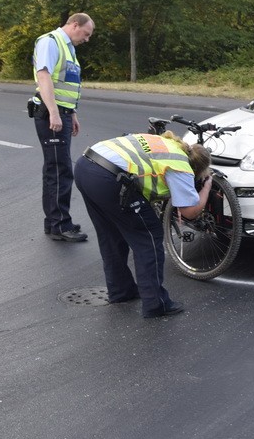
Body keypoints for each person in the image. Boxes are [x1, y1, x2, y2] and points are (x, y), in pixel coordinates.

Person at [74, 131, 213, 319]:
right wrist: (206, 187)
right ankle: (156, 303)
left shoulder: (166, 142)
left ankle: (121, 291)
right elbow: (190, 211)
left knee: (111, 234)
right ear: (196, 168)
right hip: (109, 179)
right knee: (149, 236)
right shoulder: (180, 165)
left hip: (85, 166)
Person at [30, 13, 95, 242]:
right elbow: (44, 76)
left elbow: (66, 84)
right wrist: (55, 113)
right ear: (75, 25)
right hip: (52, 114)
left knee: (56, 169)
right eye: (86, 34)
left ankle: (54, 222)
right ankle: (60, 225)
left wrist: (72, 113)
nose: (86, 39)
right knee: (60, 170)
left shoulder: (69, 48)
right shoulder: (50, 41)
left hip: (62, 113)